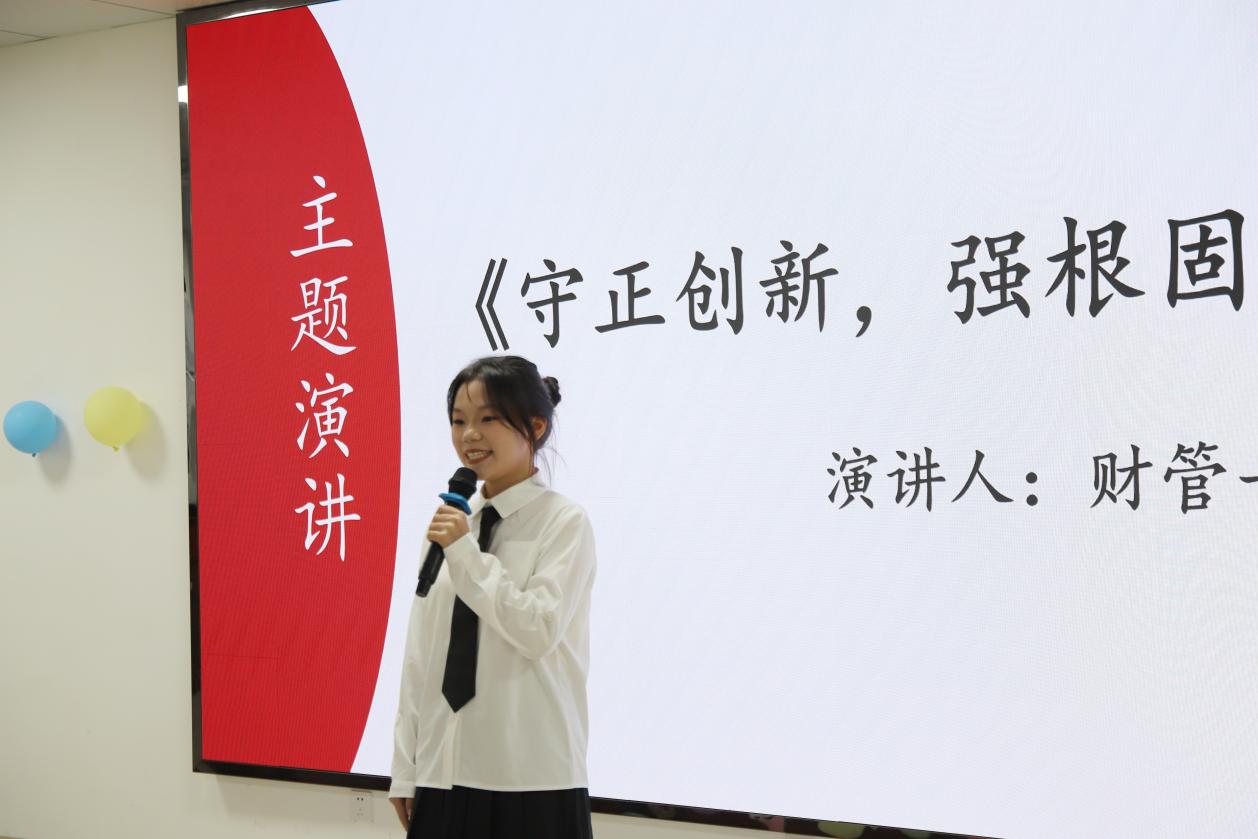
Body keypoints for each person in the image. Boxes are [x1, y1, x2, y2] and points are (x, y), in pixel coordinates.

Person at [389, 355, 597, 839]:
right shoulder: (453, 525)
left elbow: (538, 628)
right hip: (442, 772)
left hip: (531, 780)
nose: (469, 435)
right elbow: (422, 654)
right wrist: (405, 765)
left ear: (536, 427)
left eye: (487, 419)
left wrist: (465, 553)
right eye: (458, 420)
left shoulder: (564, 523)